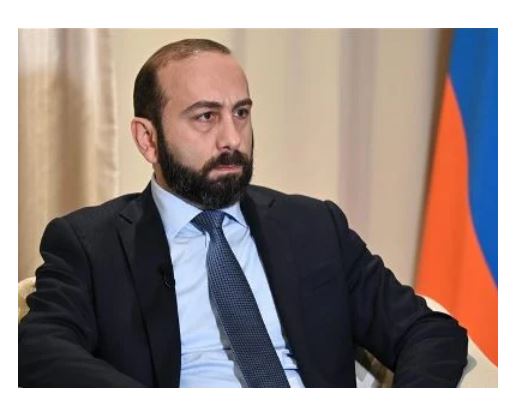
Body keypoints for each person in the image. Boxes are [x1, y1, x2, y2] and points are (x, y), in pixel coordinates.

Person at [18, 38, 468, 388]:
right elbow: (37, 350)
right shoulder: (91, 244)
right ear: (147, 139)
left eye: (241, 113)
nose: (232, 139)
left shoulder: (313, 226)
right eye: (205, 117)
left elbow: (428, 331)